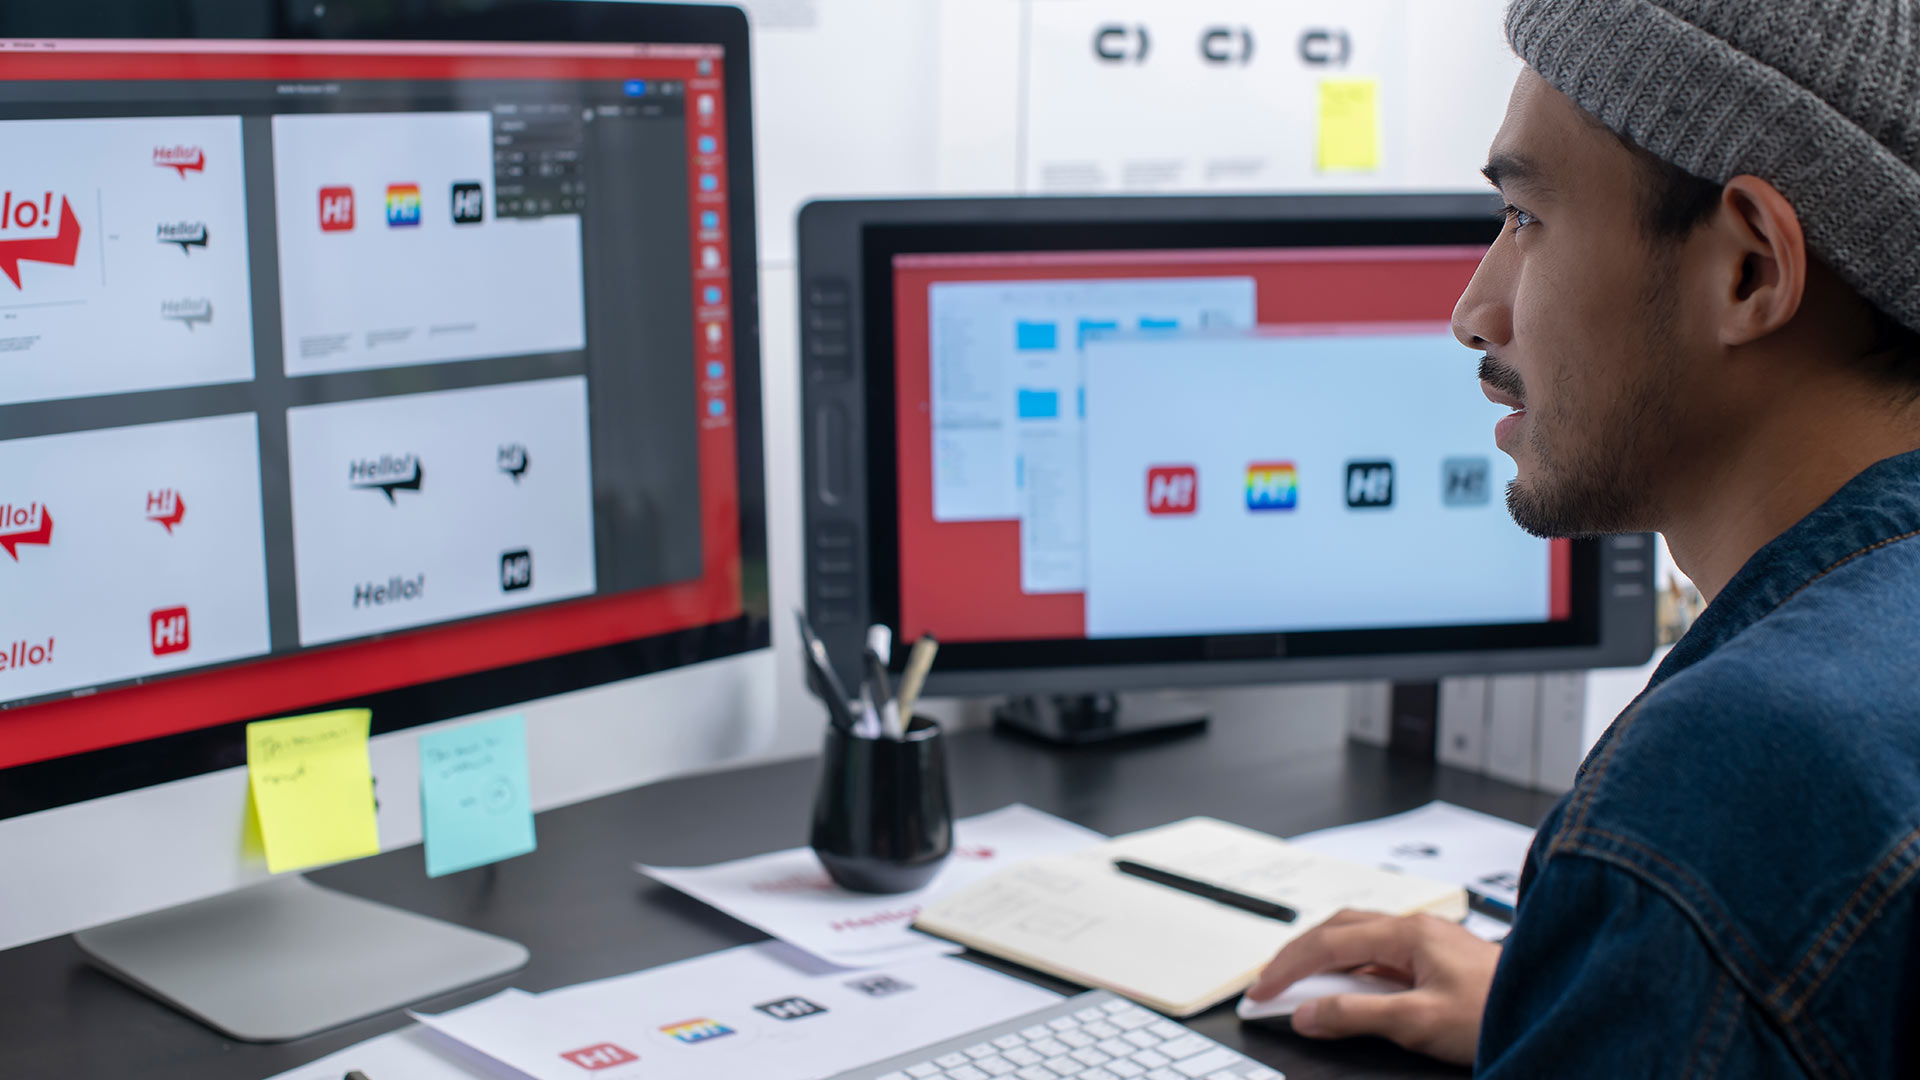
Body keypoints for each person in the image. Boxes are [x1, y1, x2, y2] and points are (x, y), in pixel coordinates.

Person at [1243, 0, 1920, 1074]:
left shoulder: (1738, 778)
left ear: (1749, 270)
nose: (1475, 310)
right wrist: (1601, 1000)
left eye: (1524, 219)